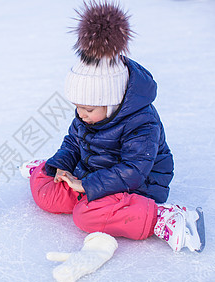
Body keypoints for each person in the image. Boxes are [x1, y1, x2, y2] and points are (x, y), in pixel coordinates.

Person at [20, 2, 204, 253]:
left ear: (112, 102)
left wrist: (87, 186)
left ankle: (164, 218)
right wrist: (61, 165)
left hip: (138, 188)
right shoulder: (89, 116)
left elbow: (135, 170)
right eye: (78, 107)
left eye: (88, 109)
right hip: (94, 176)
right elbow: (74, 141)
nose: (81, 114)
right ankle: (45, 168)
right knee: (46, 192)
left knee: (86, 217)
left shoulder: (142, 122)